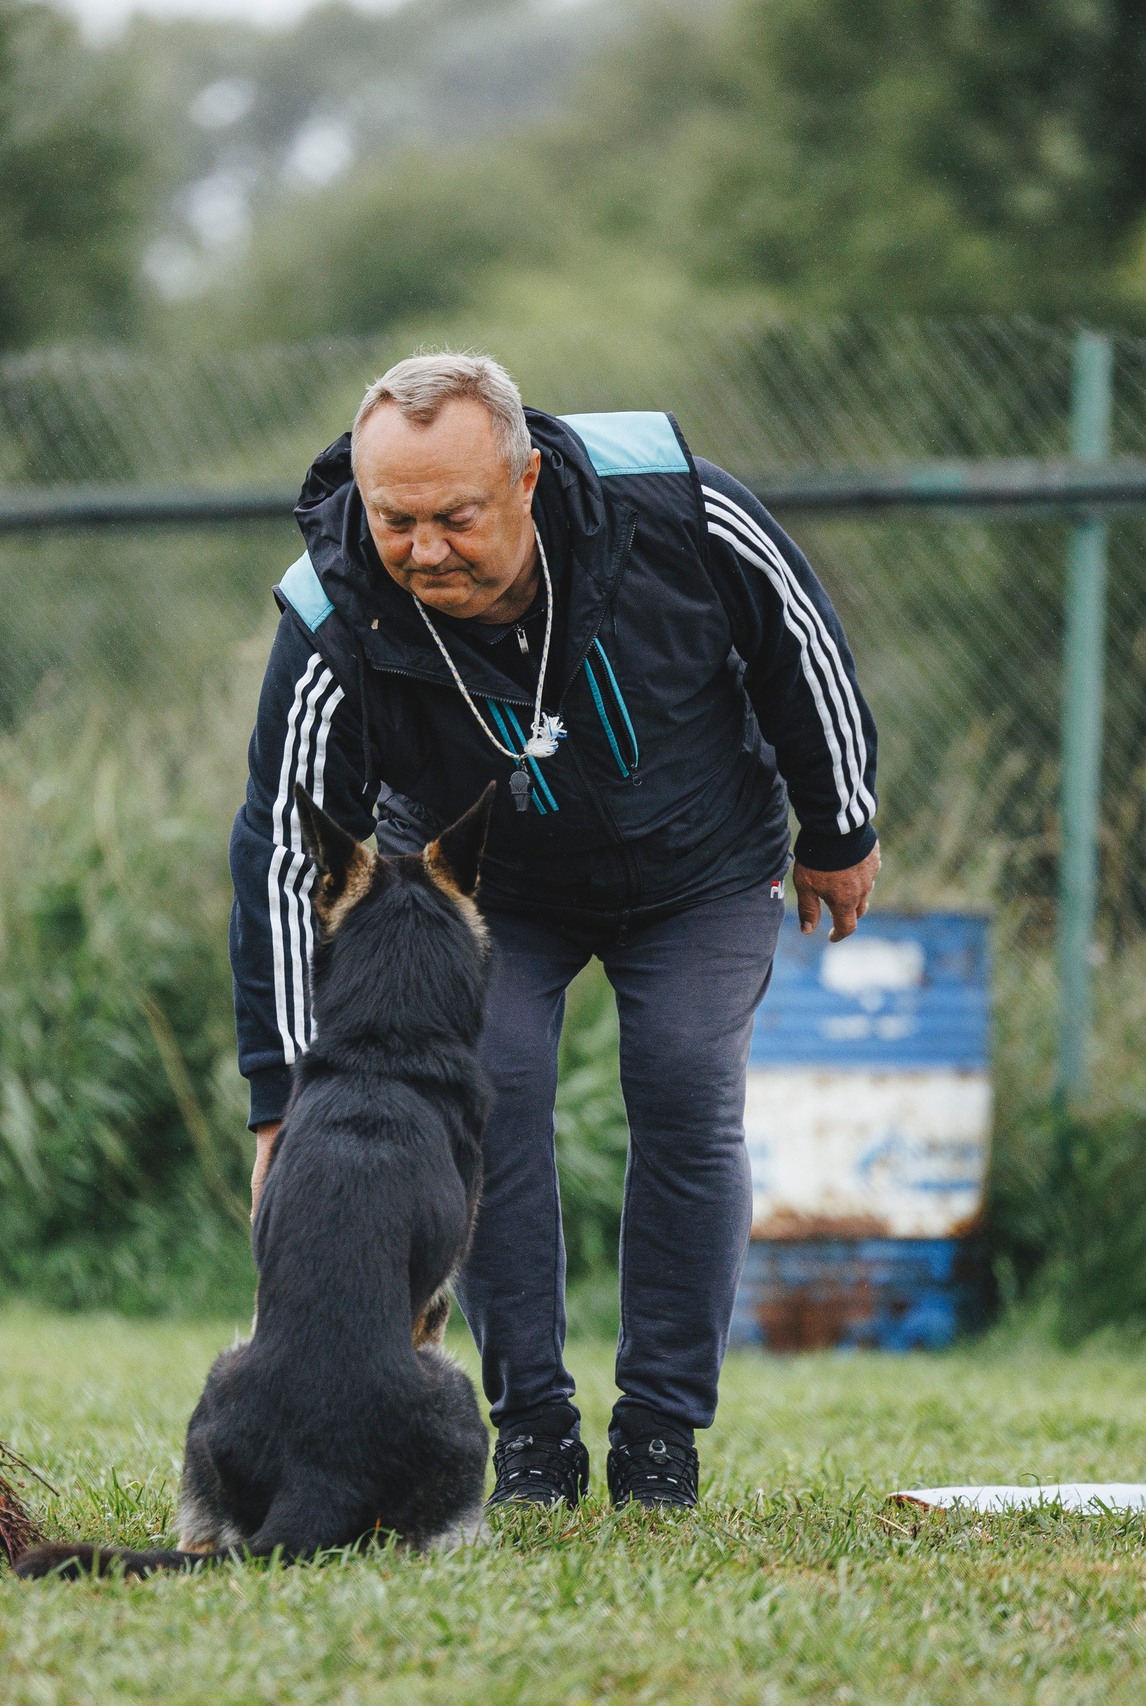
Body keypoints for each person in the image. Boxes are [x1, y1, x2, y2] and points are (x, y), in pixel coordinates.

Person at [228, 352, 881, 1510]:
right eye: (395, 520)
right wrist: (282, 1094)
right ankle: (530, 1426)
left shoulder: (672, 504)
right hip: (488, 887)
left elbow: (800, 641)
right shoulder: (332, 607)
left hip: (700, 858)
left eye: (455, 517)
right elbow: (281, 845)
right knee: (490, 1087)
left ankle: (661, 1430)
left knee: (681, 1075)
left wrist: (837, 822)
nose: (424, 549)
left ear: (525, 480)